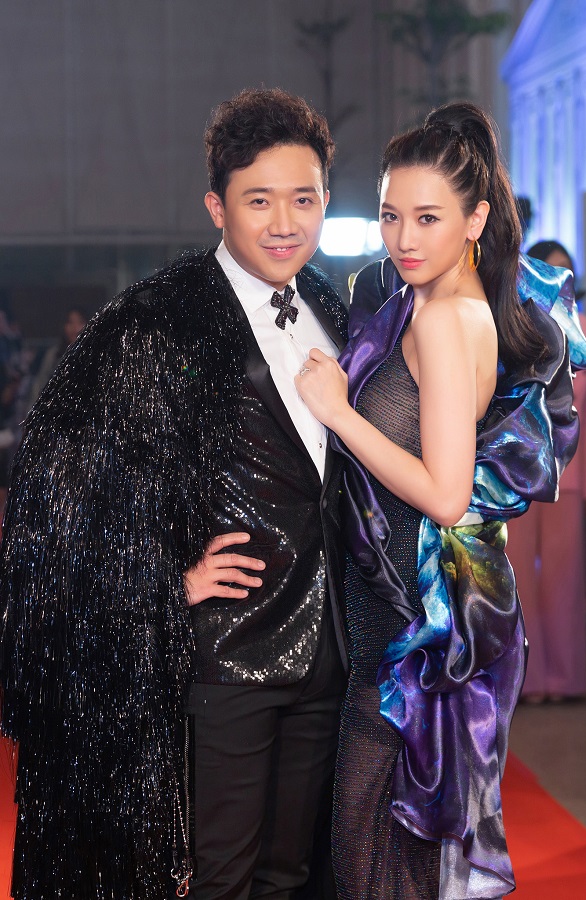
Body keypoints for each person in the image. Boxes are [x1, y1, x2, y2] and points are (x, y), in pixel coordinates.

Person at [0, 88, 349, 900]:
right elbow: (61, 498)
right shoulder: (152, 325)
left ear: (326, 201)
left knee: (293, 875)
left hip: (330, 650)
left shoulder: (334, 306)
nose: (284, 222)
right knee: (219, 879)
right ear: (216, 207)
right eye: (258, 201)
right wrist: (162, 582)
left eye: (303, 199)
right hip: (223, 656)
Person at [295, 102, 586, 899]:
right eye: (391, 215)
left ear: (476, 220)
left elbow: (446, 491)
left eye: (428, 218)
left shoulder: (448, 320)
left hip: (407, 630)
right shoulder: (431, 304)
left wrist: (339, 414)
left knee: (371, 858)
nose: (404, 238)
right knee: (383, 853)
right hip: (393, 611)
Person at [507, 241, 586, 702]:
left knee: (564, 578)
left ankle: (564, 678)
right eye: (548, 270)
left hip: (571, 472)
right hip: (517, 468)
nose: (557, 280)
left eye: (565, 273)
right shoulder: (511, 327)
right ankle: (525, 680)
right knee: (517, 576)